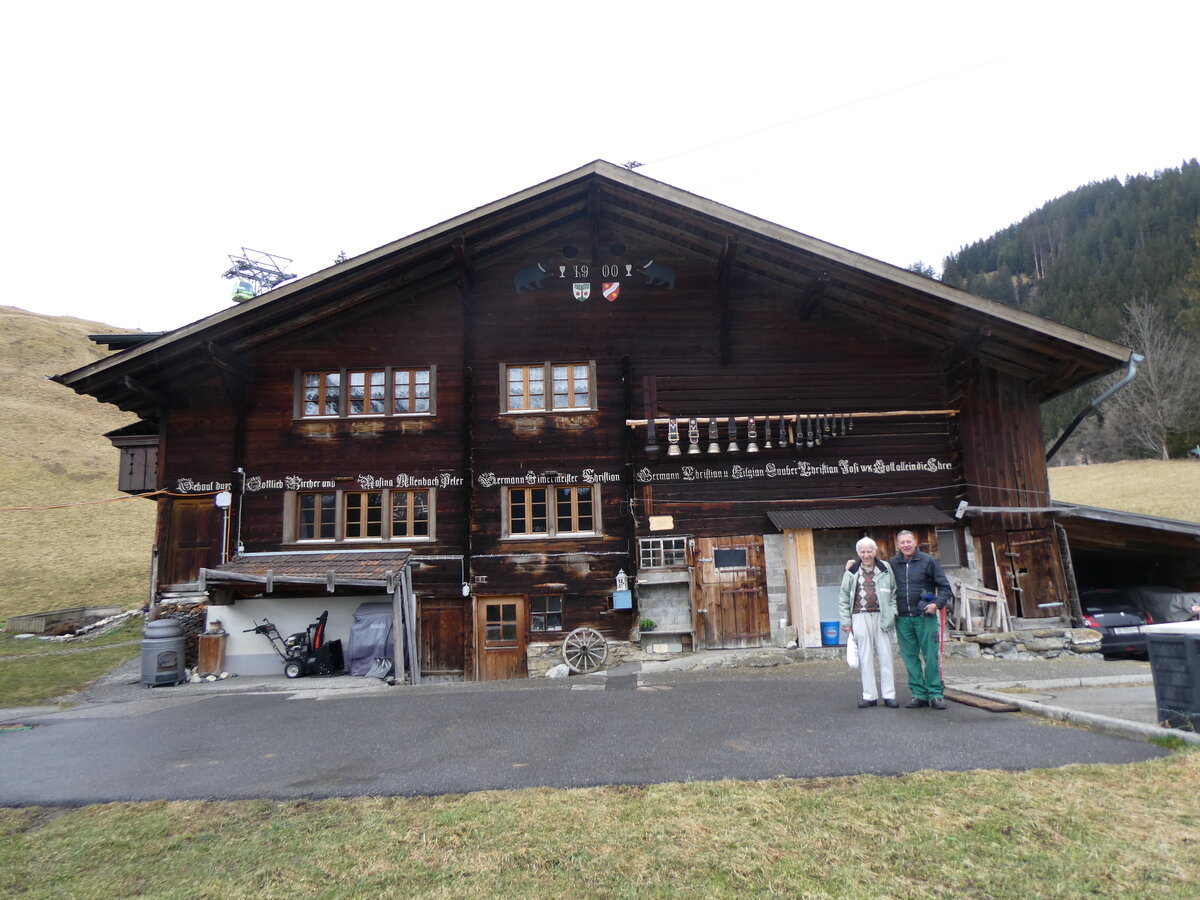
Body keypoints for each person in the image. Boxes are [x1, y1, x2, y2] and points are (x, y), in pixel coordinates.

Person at [890, 529, 953, 709]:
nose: (906, 545)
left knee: (931, 656)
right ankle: (919, 694)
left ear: (915, 542)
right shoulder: (892, 564)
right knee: (910, 658)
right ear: (897, 545)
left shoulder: (928, 561)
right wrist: (852, 565)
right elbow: (870, 565)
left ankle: (935, 694)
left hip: (925, 617)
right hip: (903, 618)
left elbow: (945, 588)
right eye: (902, 542)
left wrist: (936, 604)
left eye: (909, 541)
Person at [838, 537, 898, 708]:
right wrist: (846, 622)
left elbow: (893, 592)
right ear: (858, 553)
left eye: (869, 551)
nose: (866, 555)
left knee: (886, 656)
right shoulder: (851, 570)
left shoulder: (885, 567)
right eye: (863, 552)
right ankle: (869, 695)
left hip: (882, 616)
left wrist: (892, 612)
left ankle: (889, 695)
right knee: (865, 657)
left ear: (875, 551)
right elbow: (843, 598)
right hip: (859, 616)